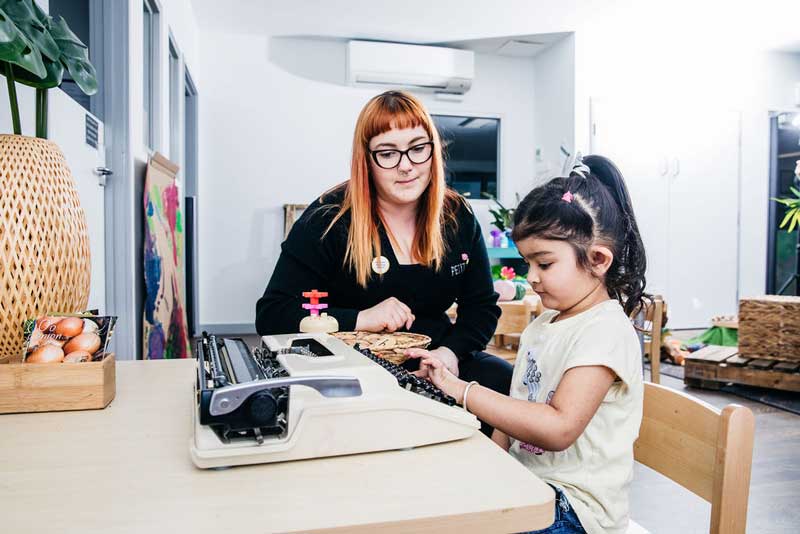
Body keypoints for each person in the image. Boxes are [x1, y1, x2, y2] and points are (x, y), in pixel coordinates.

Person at [408, 155, 647, 534]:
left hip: (578, 508)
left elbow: (557, 429)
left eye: (545, 264)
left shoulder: (605, 330)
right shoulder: (545, 324)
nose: (532, 278)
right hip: (530, 486)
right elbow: (518, 407)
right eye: (526, 264)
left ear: (598, 260)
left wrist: (461, 390)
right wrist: (490, 466)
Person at [255, 90, 512, 434]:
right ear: (367, 160)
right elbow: (272, 314)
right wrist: (359, 318)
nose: (406, 165)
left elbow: (481, 307)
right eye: (388, 153)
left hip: (437, 360)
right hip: (352, 366)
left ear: (433, 151)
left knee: (507, 382)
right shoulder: (327, 220)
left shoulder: (457, 216)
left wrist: (450, 354)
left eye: (418, 149)